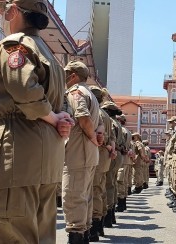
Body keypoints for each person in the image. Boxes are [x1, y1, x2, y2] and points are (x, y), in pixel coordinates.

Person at [0, 1, 73, 242]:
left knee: (12, 232)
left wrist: (53, 117)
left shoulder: (14, 46)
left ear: (14, 11)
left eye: (5, 8)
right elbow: (60, 104)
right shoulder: (49, 55)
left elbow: (24, 89)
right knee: (41, 234)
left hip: (17, 152)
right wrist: (56, 119)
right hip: (45, 155)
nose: (3, 13)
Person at [62, 60, 103, 243]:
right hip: (87, 153)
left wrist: (93, 137)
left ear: (73, 76)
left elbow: (83, 118)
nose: (64, 78)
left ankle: (77, 235)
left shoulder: (76, 92)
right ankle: (84, 233)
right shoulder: (90, 94)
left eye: (66, 74)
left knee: (73, 196)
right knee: (84, 197)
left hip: (78, 152)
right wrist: (96, 137)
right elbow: (99, 123)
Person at [89, 86, 116, 240]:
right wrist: (111, 149)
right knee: (101, 189)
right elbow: (112, 137)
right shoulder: (106, 115)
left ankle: (95, 226)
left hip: (97, 154)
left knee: (94, 191)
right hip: (104, 156)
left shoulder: (97, 113)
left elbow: (102, 136)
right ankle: (99, 225)